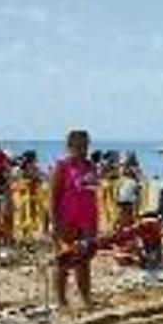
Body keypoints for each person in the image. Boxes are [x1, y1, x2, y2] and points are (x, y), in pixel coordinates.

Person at [51, 130, 99, 310]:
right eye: (78, 146)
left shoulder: (91, 166)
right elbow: (53, 197)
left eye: (85, 145)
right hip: (66, 220)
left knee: (84, 261)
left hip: (86, 221)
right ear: (69, 147)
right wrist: (54, 223)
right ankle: (61, 300)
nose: (83, 149)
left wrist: (94, 224)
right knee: (63, 261)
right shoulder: (62, 166)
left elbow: (92, 196)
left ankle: (85, 298)